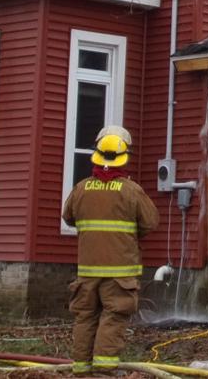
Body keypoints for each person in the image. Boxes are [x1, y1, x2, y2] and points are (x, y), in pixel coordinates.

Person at [62, 125, 159, 375]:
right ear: (124, 157)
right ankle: (104, 371)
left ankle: (81, 369)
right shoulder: (131, 191)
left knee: (85, 318)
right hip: (120, 274)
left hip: (87, 271)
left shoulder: (81, 189)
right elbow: (150, 222)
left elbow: (68, 217)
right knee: (113, 318)